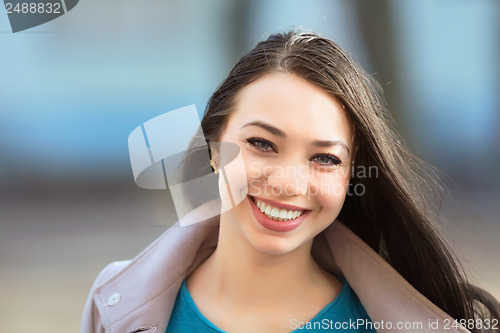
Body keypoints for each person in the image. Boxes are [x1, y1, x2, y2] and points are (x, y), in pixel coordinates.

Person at [82, 30, 500, 333]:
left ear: (351, 173)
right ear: (213, 147)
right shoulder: (116, 304)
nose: (287, 182)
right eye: (262, 143)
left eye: (324, 158)